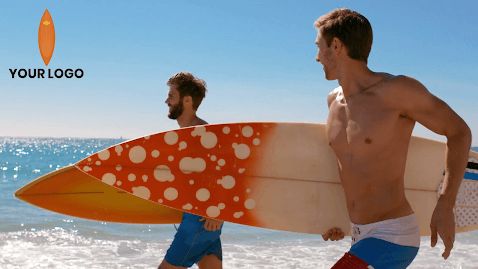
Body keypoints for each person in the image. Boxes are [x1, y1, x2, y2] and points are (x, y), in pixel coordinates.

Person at [314, 8, 472, 269]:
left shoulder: (397, 92)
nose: (317, 57)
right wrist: (334, 220)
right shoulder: (333, 101)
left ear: (337, 46)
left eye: (319, 47)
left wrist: (446, 204)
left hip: (394, 234)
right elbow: (348, 169)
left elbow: (459, 132)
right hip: (358, 235)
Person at [158, 72, 224, 269]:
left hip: (200, 220)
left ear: (186, 100)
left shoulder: (202, 134)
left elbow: (223, 173)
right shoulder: (185, 134)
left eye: (171, 96)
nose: (166, 101)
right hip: (203, 219)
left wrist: (216, 212)